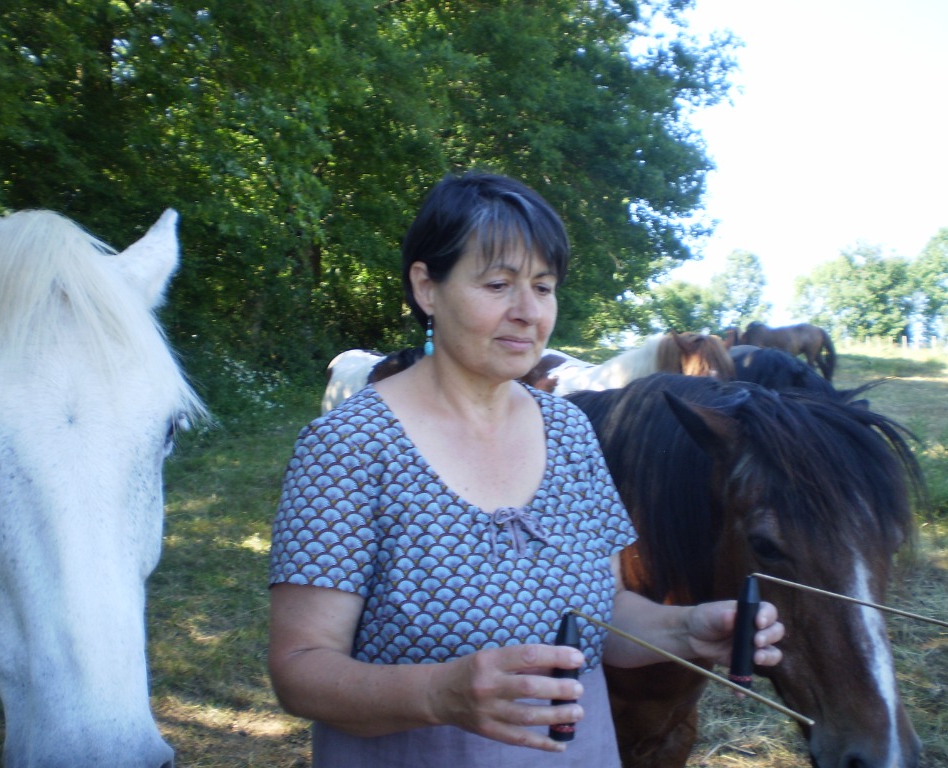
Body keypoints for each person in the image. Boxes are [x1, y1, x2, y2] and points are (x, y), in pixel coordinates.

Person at [268, 172, 785, 767]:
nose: (527, 311)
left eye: (543, 287)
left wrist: (685, 631)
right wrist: (440, 694)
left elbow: (603, 614)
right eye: (498, 284)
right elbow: (300, 670)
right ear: (426, 287)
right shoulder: (348, 447)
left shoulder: (568, 431)